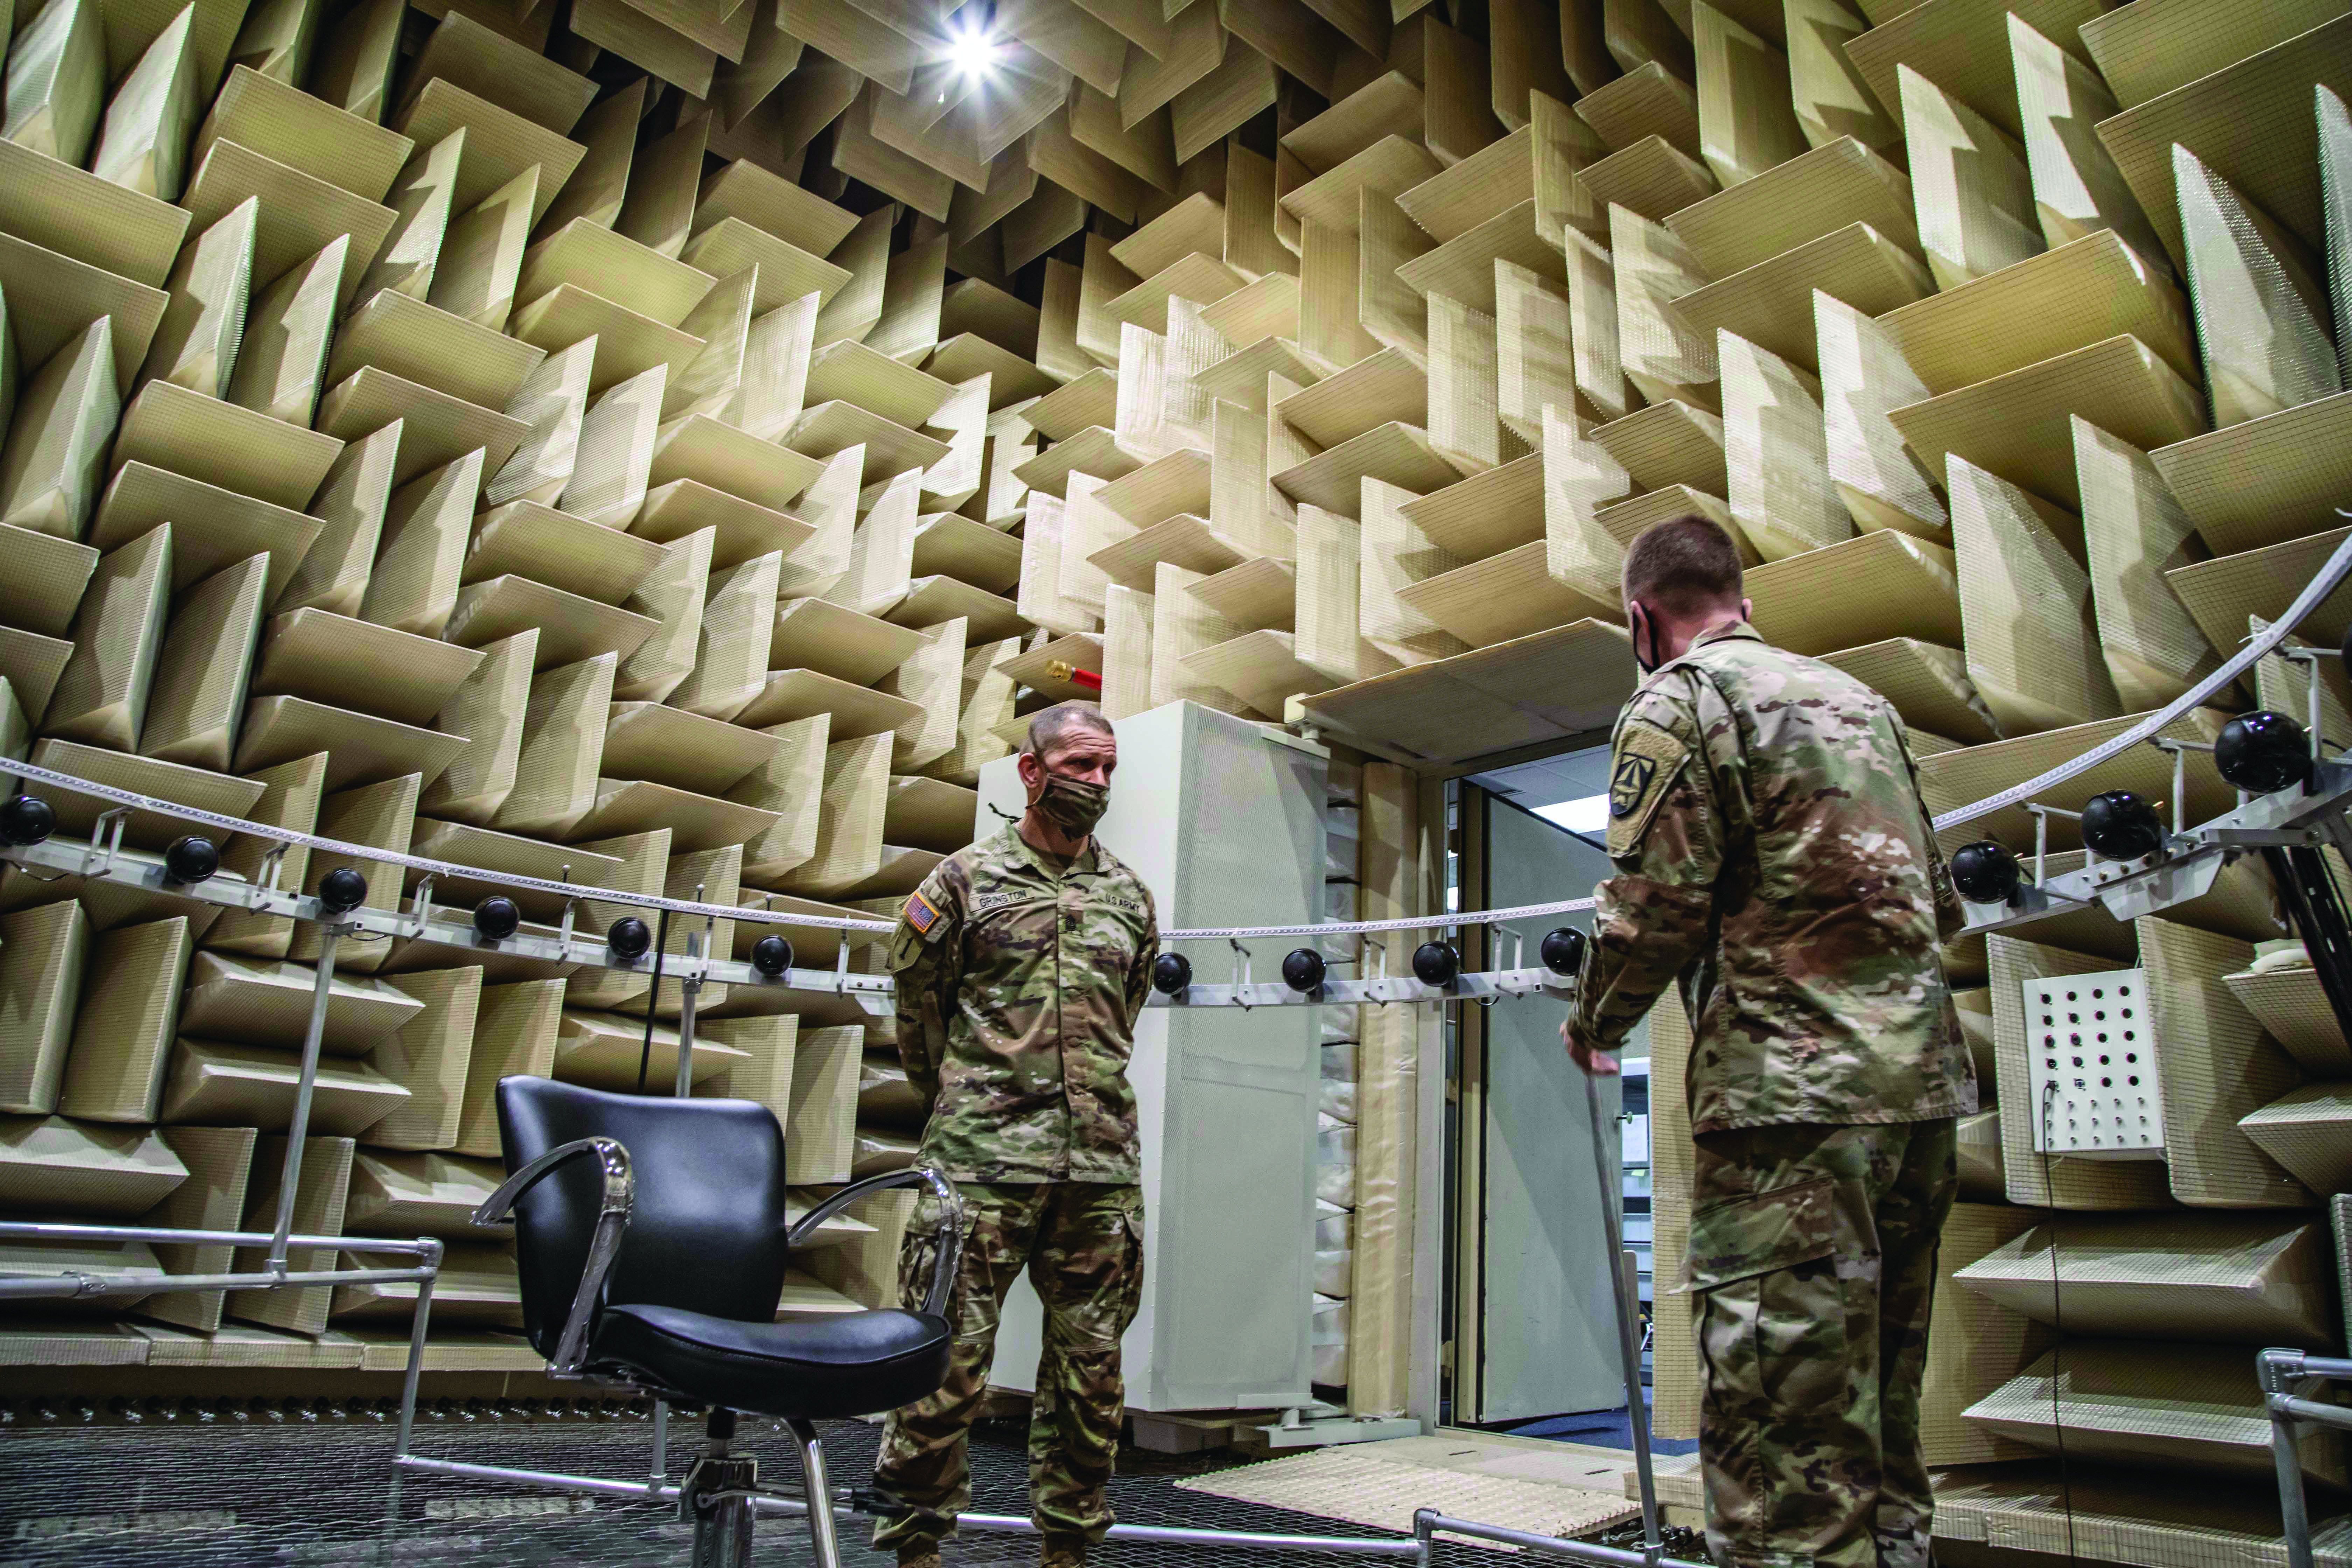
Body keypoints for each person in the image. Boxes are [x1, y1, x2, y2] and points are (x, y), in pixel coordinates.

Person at [1562, 516, 1976, 1568]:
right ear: (1745, 600)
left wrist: (1594, 1024)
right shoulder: (1865, 705)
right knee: (1880, 1408)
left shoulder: (1681, 700)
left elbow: (1652, 905)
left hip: (1787, 1115)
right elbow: (1944, 905)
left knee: (1782, 1435)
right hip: (1919, 1103)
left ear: (1641, 618)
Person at [872, 701, 1161, 1568]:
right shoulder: (960, 883)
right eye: (1080, 764)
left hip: (1098, 1176)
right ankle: (915, 1551)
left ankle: (1069, 1551)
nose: (1097, 783)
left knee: (1091, 1380)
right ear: (1032, 771)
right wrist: (970, 1103)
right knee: (941, 1372)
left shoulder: (1129, 895)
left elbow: (1127, 1015)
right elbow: (920, 1019)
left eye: (1109, 767)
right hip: (981, 1168)